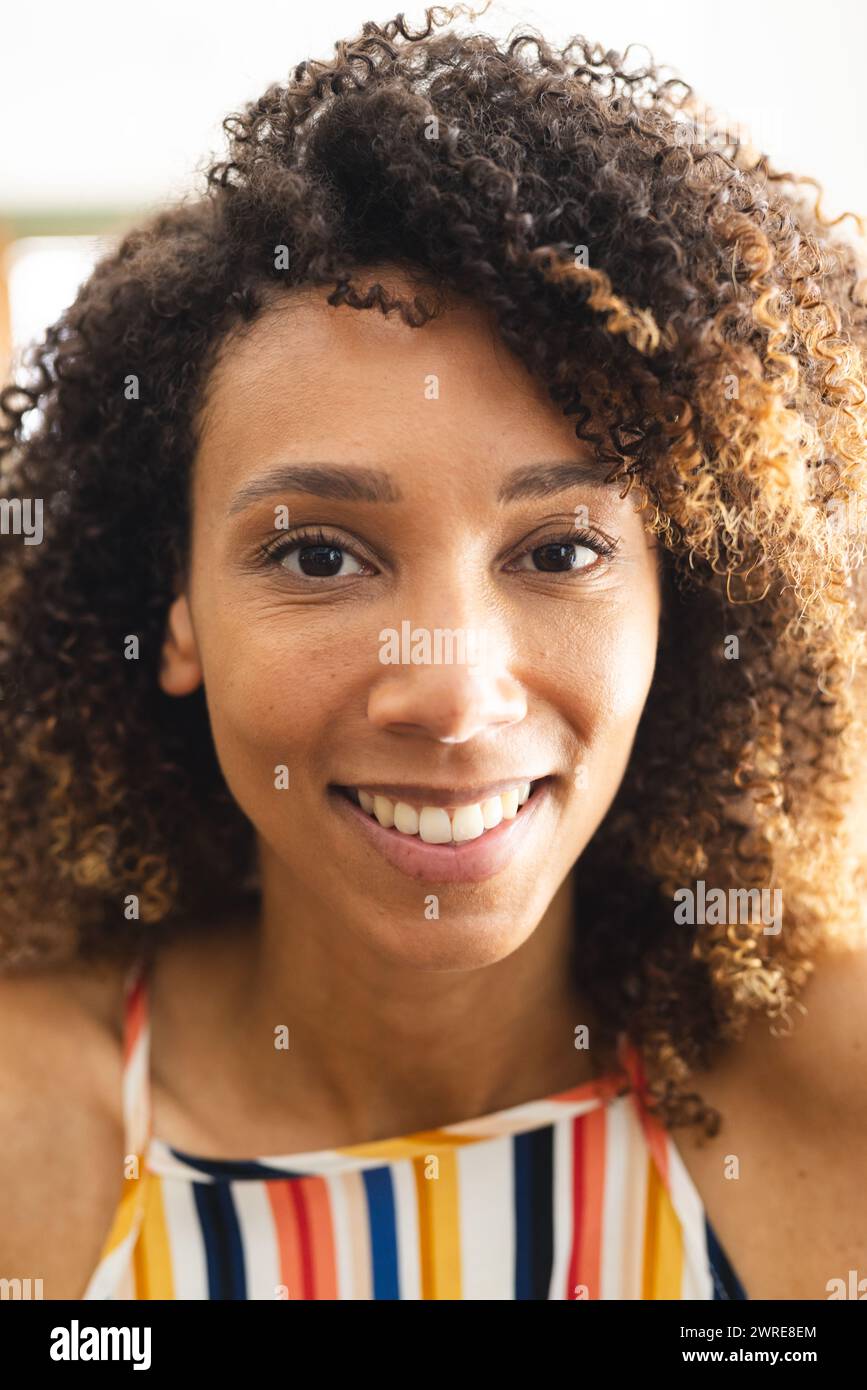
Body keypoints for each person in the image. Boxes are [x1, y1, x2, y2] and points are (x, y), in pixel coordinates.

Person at [1, 6, 866, 1301]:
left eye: (560, 550)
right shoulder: (25, 1130)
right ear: (172, 603)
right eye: (317, 555)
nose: (457, 694)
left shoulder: (838, 1098)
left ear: (674, 597)